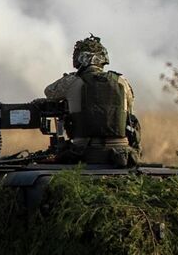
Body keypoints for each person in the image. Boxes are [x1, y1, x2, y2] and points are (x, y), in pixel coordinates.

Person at [44, 35, 141, 166]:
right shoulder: (122, 82)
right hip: (120, 155)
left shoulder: (71, 82)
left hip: (84, 153)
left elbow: (49, 92)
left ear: (79, 59)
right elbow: (130, 112)